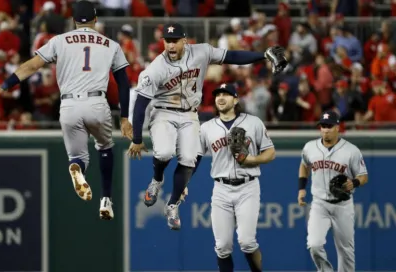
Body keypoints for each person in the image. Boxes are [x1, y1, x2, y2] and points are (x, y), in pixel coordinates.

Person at [0, 0, 132, 220]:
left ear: (74, 21)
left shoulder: (60, 40)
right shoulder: (111, 44)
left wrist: (3, 86)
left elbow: (31, 66)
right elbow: (123, 82)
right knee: (105, 147)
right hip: (96, 103)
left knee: (77, 157)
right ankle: (106, 200)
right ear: (95, 20)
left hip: (68, 106)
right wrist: (124, 117)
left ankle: (77, 168)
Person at [126, 22, 287, 230]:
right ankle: (157, 181)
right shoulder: (156, 68)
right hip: (163, 111)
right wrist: (137, 138)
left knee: (189, 159)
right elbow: (140, 105)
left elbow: (231, 56)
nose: (171, 46)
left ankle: (172, 204)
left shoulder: (201, 52)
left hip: (190, 114)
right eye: (167, 41)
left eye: (175, 41)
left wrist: (262, 55)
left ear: (185, 40)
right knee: (164, 152)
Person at [193, 83, 275, 272]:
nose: (220, 98)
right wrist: (184, 184)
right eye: (218, 95)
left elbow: (270, 153)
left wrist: (251, 159)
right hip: (221, 189)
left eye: (226, 94)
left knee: (246, 241)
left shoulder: (253, 123)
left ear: (236, 99)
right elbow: (194, 158)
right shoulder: (207, 128)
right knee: (222, 246)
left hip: (248, 187)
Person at [298, 110, 369, 271]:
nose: (326, 130)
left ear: (338, 127)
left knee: (346, 251)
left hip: (343, 205)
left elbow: (364, 176)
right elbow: (304, 165)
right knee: (314, 245)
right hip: (319, 203)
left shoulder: (351, 150)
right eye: (323, 126)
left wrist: (355, 182)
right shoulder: (310, 147)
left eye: (329, 126)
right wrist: (301, 189)